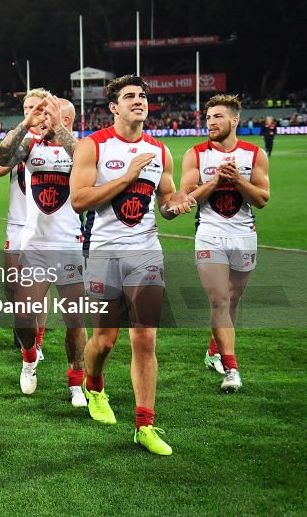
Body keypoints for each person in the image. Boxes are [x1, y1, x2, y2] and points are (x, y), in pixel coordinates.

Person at [70, 75, 195, 455]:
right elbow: (79, 200)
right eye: (130, 97)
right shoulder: (94, 146)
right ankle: (94, 386)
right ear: (113, 107)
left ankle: (145, 425)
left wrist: (175, 204)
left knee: (145, 338)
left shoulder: (160, 151)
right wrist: (127, 177)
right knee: (105, 340)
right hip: (104, 253)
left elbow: (166, 198)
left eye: (142, 96)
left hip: (146, 253)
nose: (138, 101)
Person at [0, 94, 88, 406]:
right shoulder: (32, 146)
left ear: (67, 119)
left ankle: (76, 383)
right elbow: (1, 158)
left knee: (75, 321)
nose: (45, 120)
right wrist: (25, 123)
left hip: (69, 244)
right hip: (34, 243)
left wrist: (59, 128)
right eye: (44, 115)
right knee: (23, 313)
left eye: (50, 115)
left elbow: (81, 156)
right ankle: (29, 357)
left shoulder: (83, 148)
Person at [180, 95, 270, 393]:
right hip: (209, 233)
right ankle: (232, 369)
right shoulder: (196, 154)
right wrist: (215, 181)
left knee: (233, 300)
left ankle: (213, 351)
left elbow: (262, 200)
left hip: (244, 234)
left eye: (217, 117)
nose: (211, 122)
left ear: (234, 121)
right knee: (219, 300)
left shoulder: (255, 155)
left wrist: (240, 181)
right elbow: (187, 198)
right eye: (208, 118)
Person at [0, 91, 48, 354]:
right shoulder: (20, 141)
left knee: (41, 285)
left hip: (43, 226)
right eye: (26, 107)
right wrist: (19, 150)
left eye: (34, 107)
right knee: (11, 285)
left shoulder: (55, 141)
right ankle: (23, 325)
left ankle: (38, 340)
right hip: (16, 223)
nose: (30, 111)